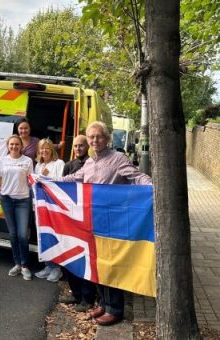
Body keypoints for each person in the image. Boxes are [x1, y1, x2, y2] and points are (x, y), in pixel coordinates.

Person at [59, 121, 152, 326]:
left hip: (113, 224)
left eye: (98, 136)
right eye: (91, 137)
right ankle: (103, 302)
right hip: (93, 222)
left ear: (107, 138)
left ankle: (115, 309)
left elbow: (137, 177)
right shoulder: (90, 162)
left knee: (111, 266)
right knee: (98, 264)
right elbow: (75, 178)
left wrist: (153, 187)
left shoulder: (118, 159)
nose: (94, 140)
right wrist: (50, 182)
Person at [56, 135, 97, 312]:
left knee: (85, 259)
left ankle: (88, 298)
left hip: (86, 218)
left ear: (87, 146)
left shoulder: (92, 164)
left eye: (81, 145)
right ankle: (75, 293)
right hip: (69, 217)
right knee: (70, 257)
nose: (78, 148)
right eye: (76, 146)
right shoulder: (68, 166)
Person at [0, 135, 34, 281]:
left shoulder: (27, 161)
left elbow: (32, 182)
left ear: (21, 146)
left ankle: (25, 265)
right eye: (11, 144)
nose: (14, 147)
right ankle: (17, 264)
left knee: (23, 234)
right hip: (7, 200)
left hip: (23, 201)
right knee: (13, 234)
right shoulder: (2, 161)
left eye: (17, 144)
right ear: (7, 146)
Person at [34, 138, 65, 282]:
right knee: (43, 236)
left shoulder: (59, 163)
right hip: (41, 207)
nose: (44, 151)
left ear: (52, 150)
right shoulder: (38, 165)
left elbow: (61, 183)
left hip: (54, 207)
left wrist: (46, 176)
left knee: (54, 237)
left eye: (47, 148)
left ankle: (57, 269)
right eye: (42, 148)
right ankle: (48, 265)